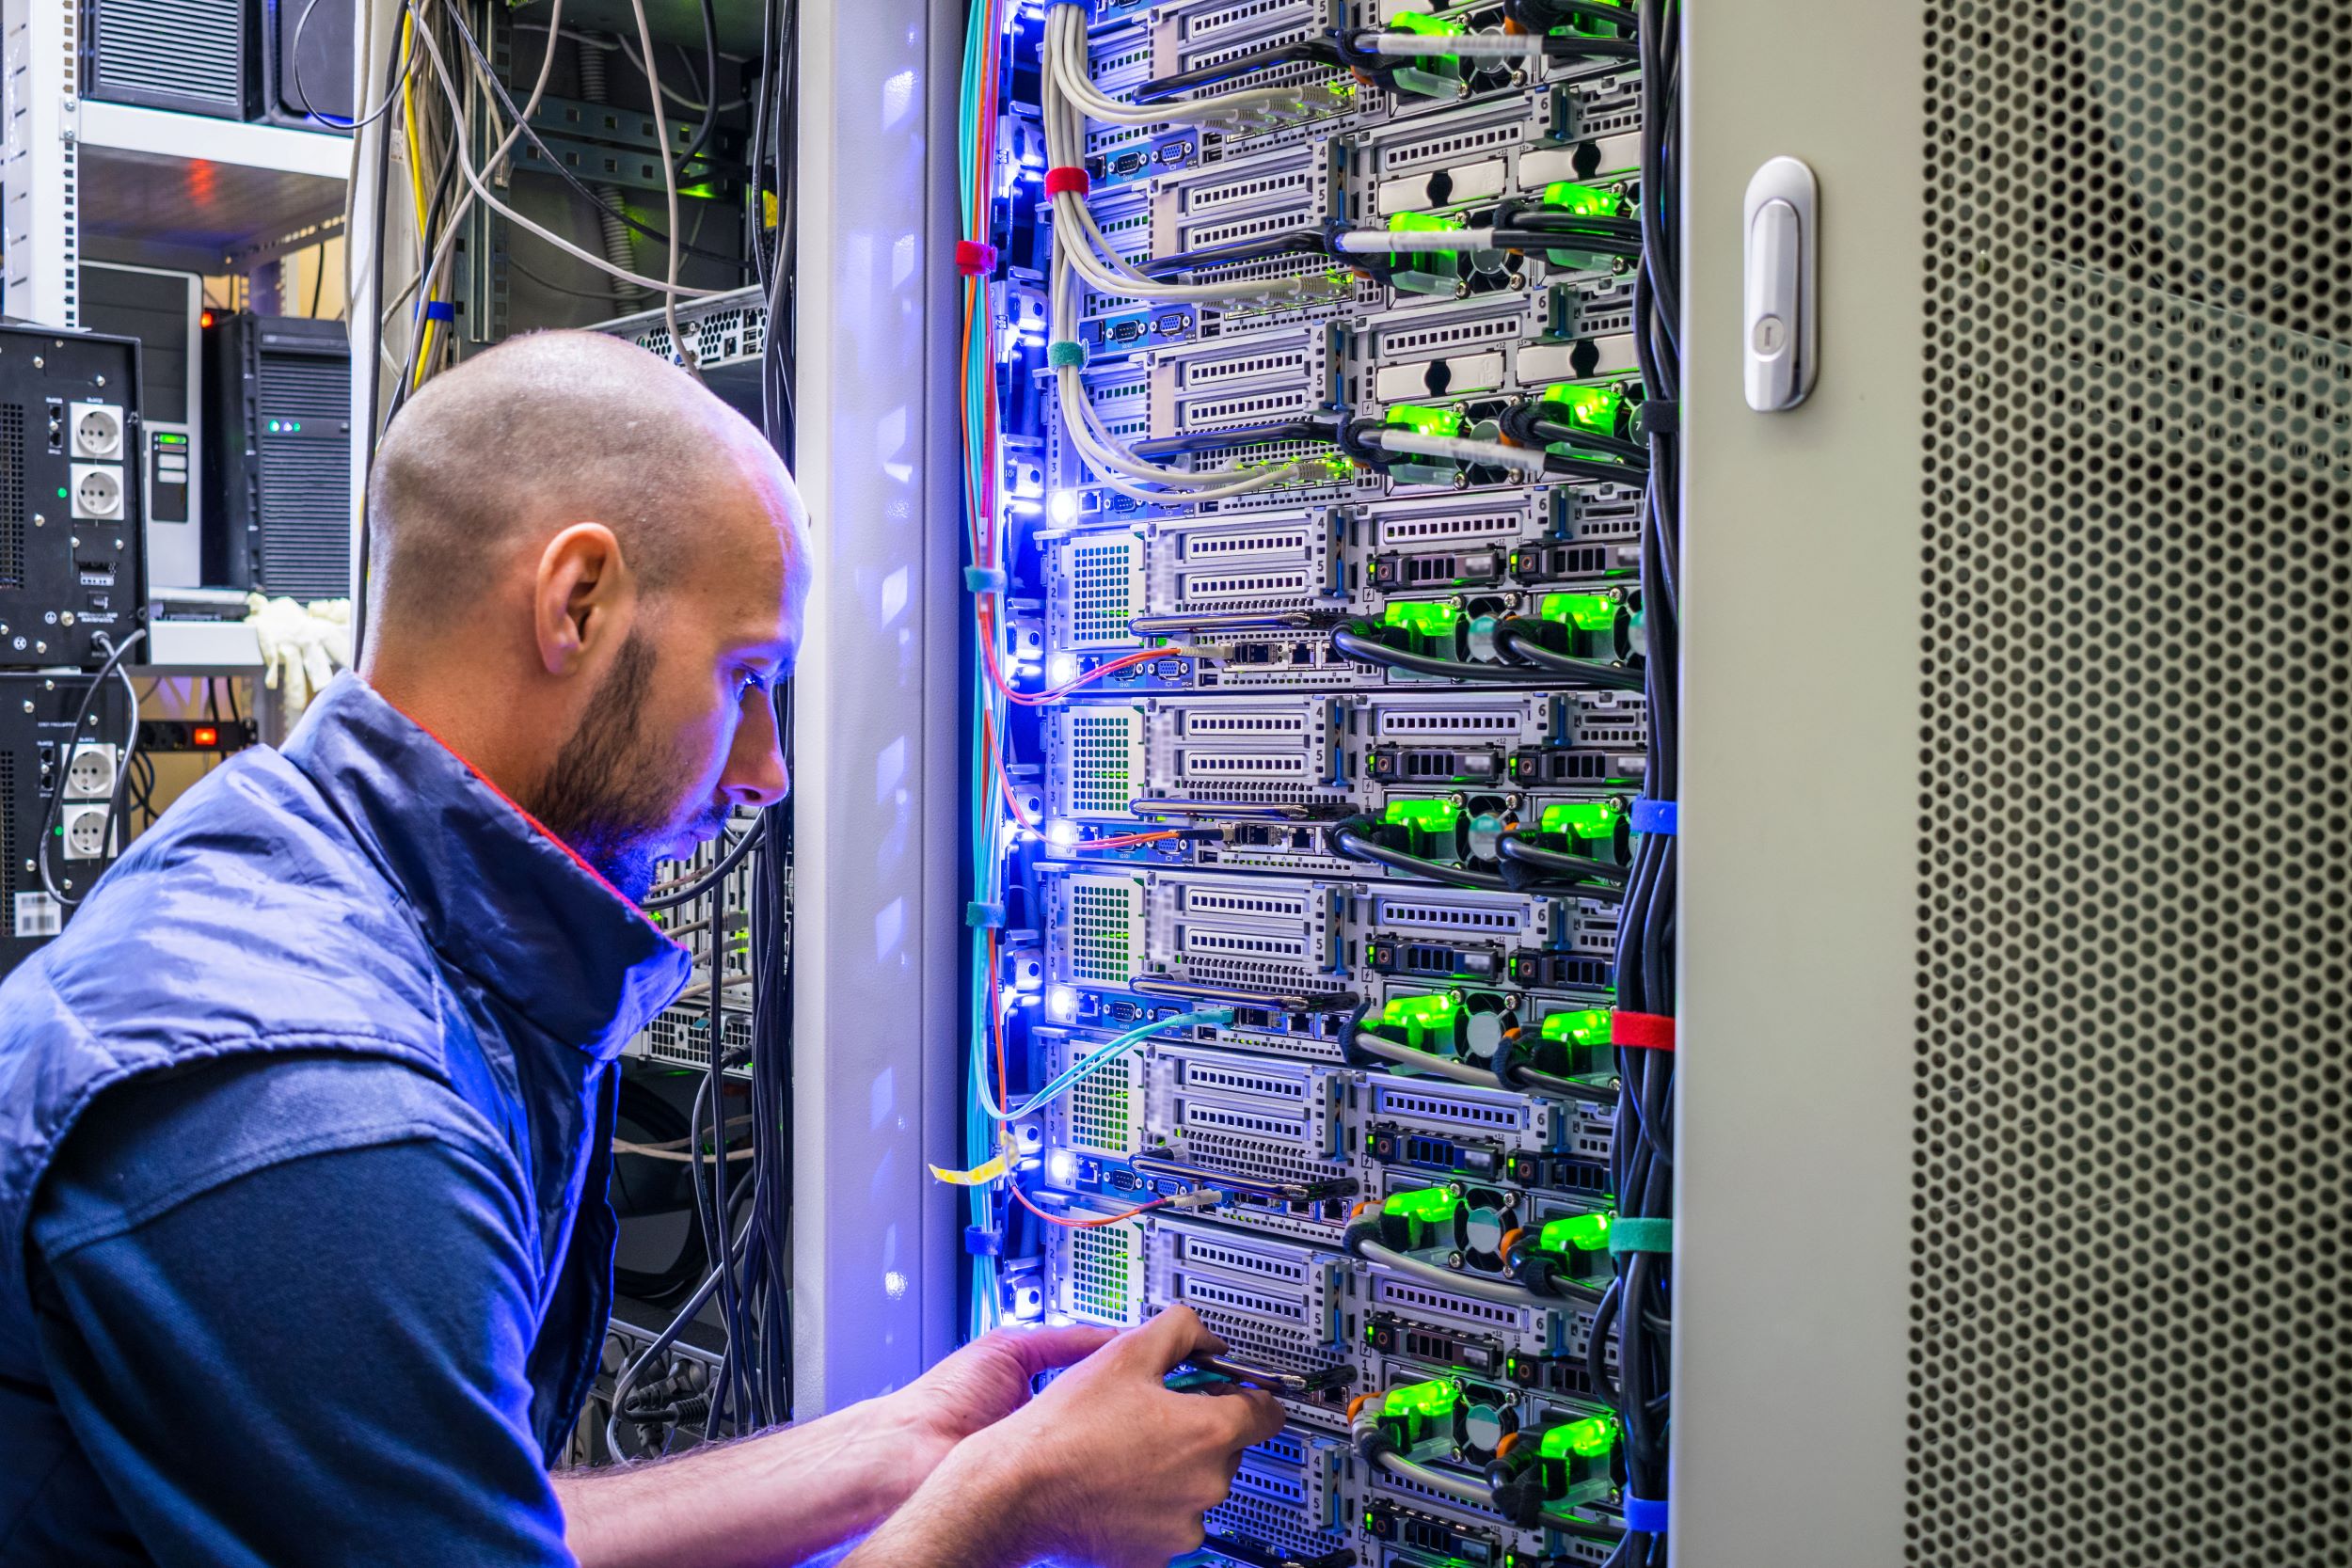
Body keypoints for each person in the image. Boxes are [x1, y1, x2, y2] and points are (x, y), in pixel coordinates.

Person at [0, 332, 1281, 1567]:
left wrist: (899, 1452)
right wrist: (1014, 1508)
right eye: (745, 676)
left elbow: (440, 1514)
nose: (767, 770)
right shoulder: (319, 1112)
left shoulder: (300, 883)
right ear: (578, 601)